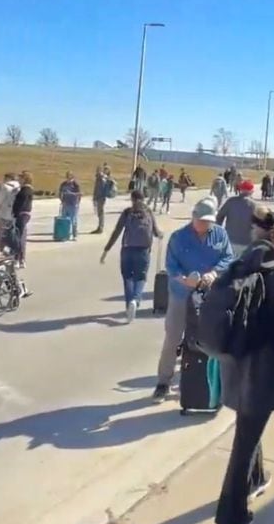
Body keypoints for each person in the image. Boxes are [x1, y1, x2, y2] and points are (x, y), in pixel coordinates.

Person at [213, 208, 274, 524]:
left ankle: (257, 479)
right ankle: (230, 517)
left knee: (248, 426)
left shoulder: (237, 265)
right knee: (244, 441)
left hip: (233, 363)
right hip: (262, 367)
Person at [152, 199, 234, 402]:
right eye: (202, 221)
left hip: (209, 296)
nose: (205, 225)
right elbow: (171, 267)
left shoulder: (220, 234)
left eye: (208, 222)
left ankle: (207, 382)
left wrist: (214, 273)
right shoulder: (179, 237)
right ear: (193, 217)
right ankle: (163, 382)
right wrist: (184, 280)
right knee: (173, 336)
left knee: (211, 338)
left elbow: (228, 258)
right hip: (181, 295)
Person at [100, 190, 162, 323]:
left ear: (132, 199)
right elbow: (156, 232)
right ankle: (135, 300)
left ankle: (129, 306)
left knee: (128, 277)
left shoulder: (128, 212)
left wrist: (106, 250)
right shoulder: (148, 212)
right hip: (143, 250)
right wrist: (160, 235)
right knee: (140, 277)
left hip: (127, 249)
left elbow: (117, 231)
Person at [217, 180, 258, 251]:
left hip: (230, 240)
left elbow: (219, 217)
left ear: (241, 190)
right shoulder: (254, 205)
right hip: (247, 241)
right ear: (251, 191)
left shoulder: (230, 201)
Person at [11, 171, 35, 268]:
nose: (19, 179)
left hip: (21, 214)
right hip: (25, 214)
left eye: (21, 177)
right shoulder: (27, 189)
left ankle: (18, 259)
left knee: (19, 237)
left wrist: (15, 213)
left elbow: (21, 204)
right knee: (21, 236)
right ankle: (21, 258)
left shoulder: (25, 190)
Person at [58, 172, 82, 240]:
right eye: (67, 176)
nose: (68, 177)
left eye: (70, 176)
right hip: (65, 204)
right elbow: (60, 193)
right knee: (64, 220)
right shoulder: (63, 184)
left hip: (73, 204)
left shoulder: (75, 184)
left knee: (73, 220)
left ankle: (74, 235)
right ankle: (65, 234)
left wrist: (76, 201)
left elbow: (79, 194)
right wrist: (62, 200)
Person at [92, 168, 113, 234]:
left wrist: (95, 197)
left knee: (100, 213)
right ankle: (100, 227)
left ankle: (100, 227)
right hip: (100, 198)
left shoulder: (101, 179)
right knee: (100, 213)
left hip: (100, 198)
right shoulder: (100, 178)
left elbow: (99, 189)